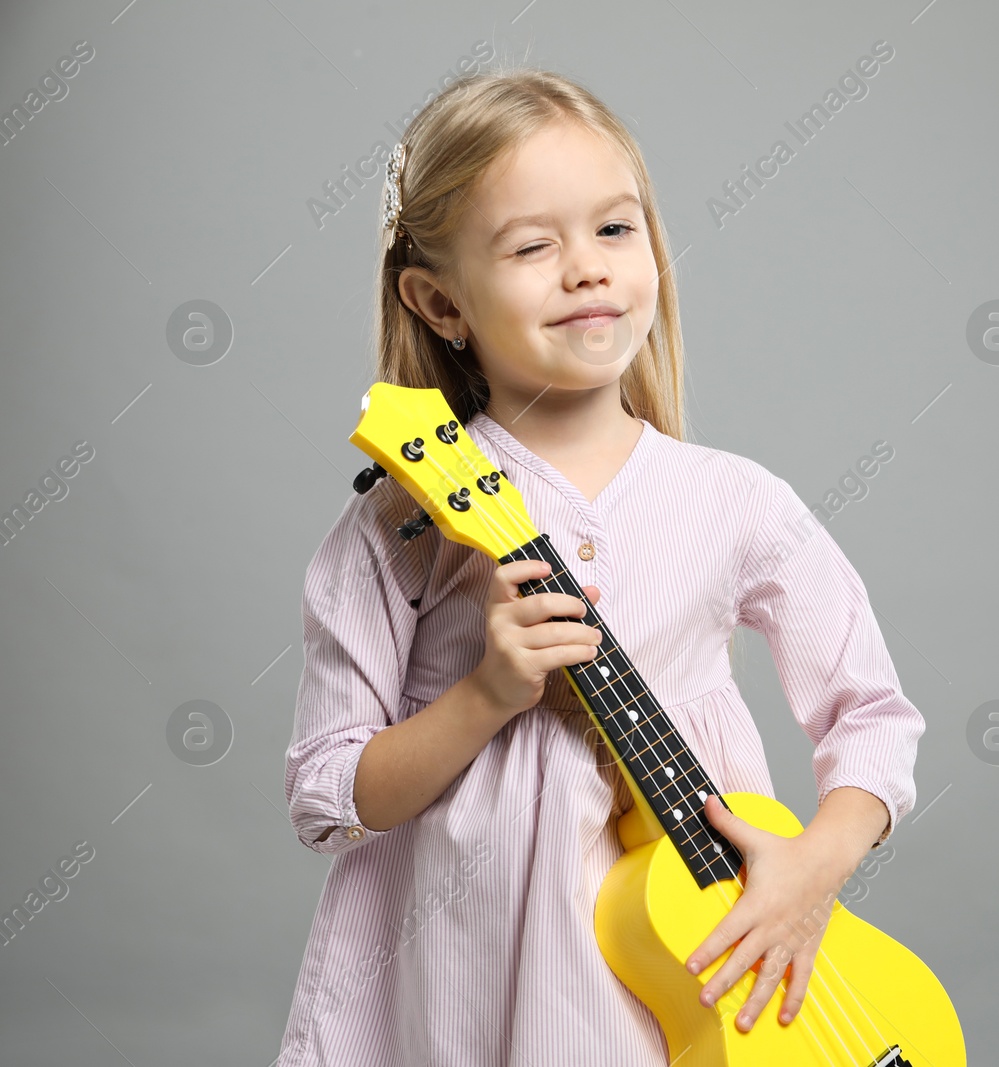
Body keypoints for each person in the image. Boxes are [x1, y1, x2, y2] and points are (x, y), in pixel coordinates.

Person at [276, 67, 924, 1065]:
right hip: (470, 969)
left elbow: (873, 714)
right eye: (534, 245)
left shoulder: (735, 499)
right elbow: (330, 792)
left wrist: (815, 865)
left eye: (615, 230)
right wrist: (487, 693)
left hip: (695, 961)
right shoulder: (406, 522)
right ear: (440, 301)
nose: (587, 269)